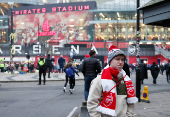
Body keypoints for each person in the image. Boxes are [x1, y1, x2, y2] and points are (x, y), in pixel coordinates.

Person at [87, 45, 138, 117]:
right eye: (117, 59)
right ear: (110, 61)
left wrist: (129, 115)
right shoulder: (99, 80)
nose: (120, 62)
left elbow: (130, 102)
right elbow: (92, 103)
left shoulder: (126, 80)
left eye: (122, 60)